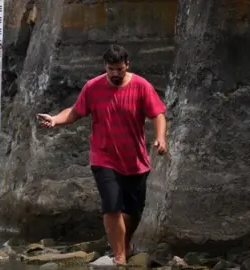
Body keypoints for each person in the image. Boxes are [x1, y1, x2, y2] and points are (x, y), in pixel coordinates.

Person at [36, 45, 167, 265]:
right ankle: (120, 257)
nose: (115, 74)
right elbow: (75, 112)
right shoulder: (93, 87)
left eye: (119, 69)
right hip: (103, 158)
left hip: (135, 160)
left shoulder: (141, 86)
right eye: (110, 69)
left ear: (127, 65)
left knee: (133, 212)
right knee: (112, 206)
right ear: (104, 66)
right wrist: (55, 119)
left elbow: (158, 114)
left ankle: (124, 244)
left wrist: (161, 138)